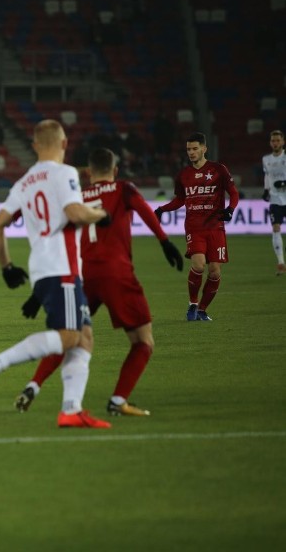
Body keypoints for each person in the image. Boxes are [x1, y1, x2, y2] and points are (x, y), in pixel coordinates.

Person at [14, 147, 185, 418]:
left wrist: (40, 292)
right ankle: (118, 400)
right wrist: (165, 242)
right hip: (117, 274)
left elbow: (57, 238)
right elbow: (145, 211)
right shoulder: (123, 188)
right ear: (115, 171)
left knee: (69, 336)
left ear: (88, 173)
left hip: (82, 277)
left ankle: (33, 384)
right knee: (143, 341)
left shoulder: (76, 198)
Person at [0, 119, 111, 428]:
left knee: (84, 338)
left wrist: (7, 267)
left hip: (43, 267)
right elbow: (75, 212)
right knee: (70, 335)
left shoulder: (24, 183)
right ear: (63, 144)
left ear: (34, 146)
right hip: (63, 267)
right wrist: (100, 215)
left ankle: (71, 409)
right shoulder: (65, 173)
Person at [155, 132, 240, 321]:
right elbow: (180, 200)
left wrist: (230, 209)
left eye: (195, 148)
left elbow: (233, 193)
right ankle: (192, 304)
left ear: (204, 149)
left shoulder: (219, 169)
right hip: (194, 227)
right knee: (199, 265)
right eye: (188, 149)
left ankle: (202, 310)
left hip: (216, 227)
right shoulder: (184, 175)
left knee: (215, 271)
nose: (191, 152)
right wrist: (162, 209)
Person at [262, 129, 286, 276]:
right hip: (275, 199)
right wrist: (266, 190)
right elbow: (267, 175)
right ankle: (281, 263)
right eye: (273, 141)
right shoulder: (266, 159)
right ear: (270, 143)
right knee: (276, 228)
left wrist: (284, 183)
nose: (275, 143)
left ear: (283, 142)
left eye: (278, 140)